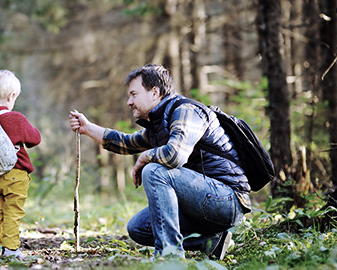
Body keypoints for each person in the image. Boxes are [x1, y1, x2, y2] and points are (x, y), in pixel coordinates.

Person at [69, 64, 251, 260]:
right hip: (202, 202)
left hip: (227, 200)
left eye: (134, 94)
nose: (129, 102)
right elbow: (126, 143)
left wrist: (145, 157)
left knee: (154, 170)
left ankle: (169, 255)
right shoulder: (160, 124)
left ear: (155, 92)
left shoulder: (186, 112)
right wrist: (87, 128)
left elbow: (175, 155)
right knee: (138, 228)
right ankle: (211, 242)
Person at [0, 70, 41, 260]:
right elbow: (34, 139)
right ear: (11, 96)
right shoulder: (15, 118)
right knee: (12, 211)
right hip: (16, 174)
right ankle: (11, 249)